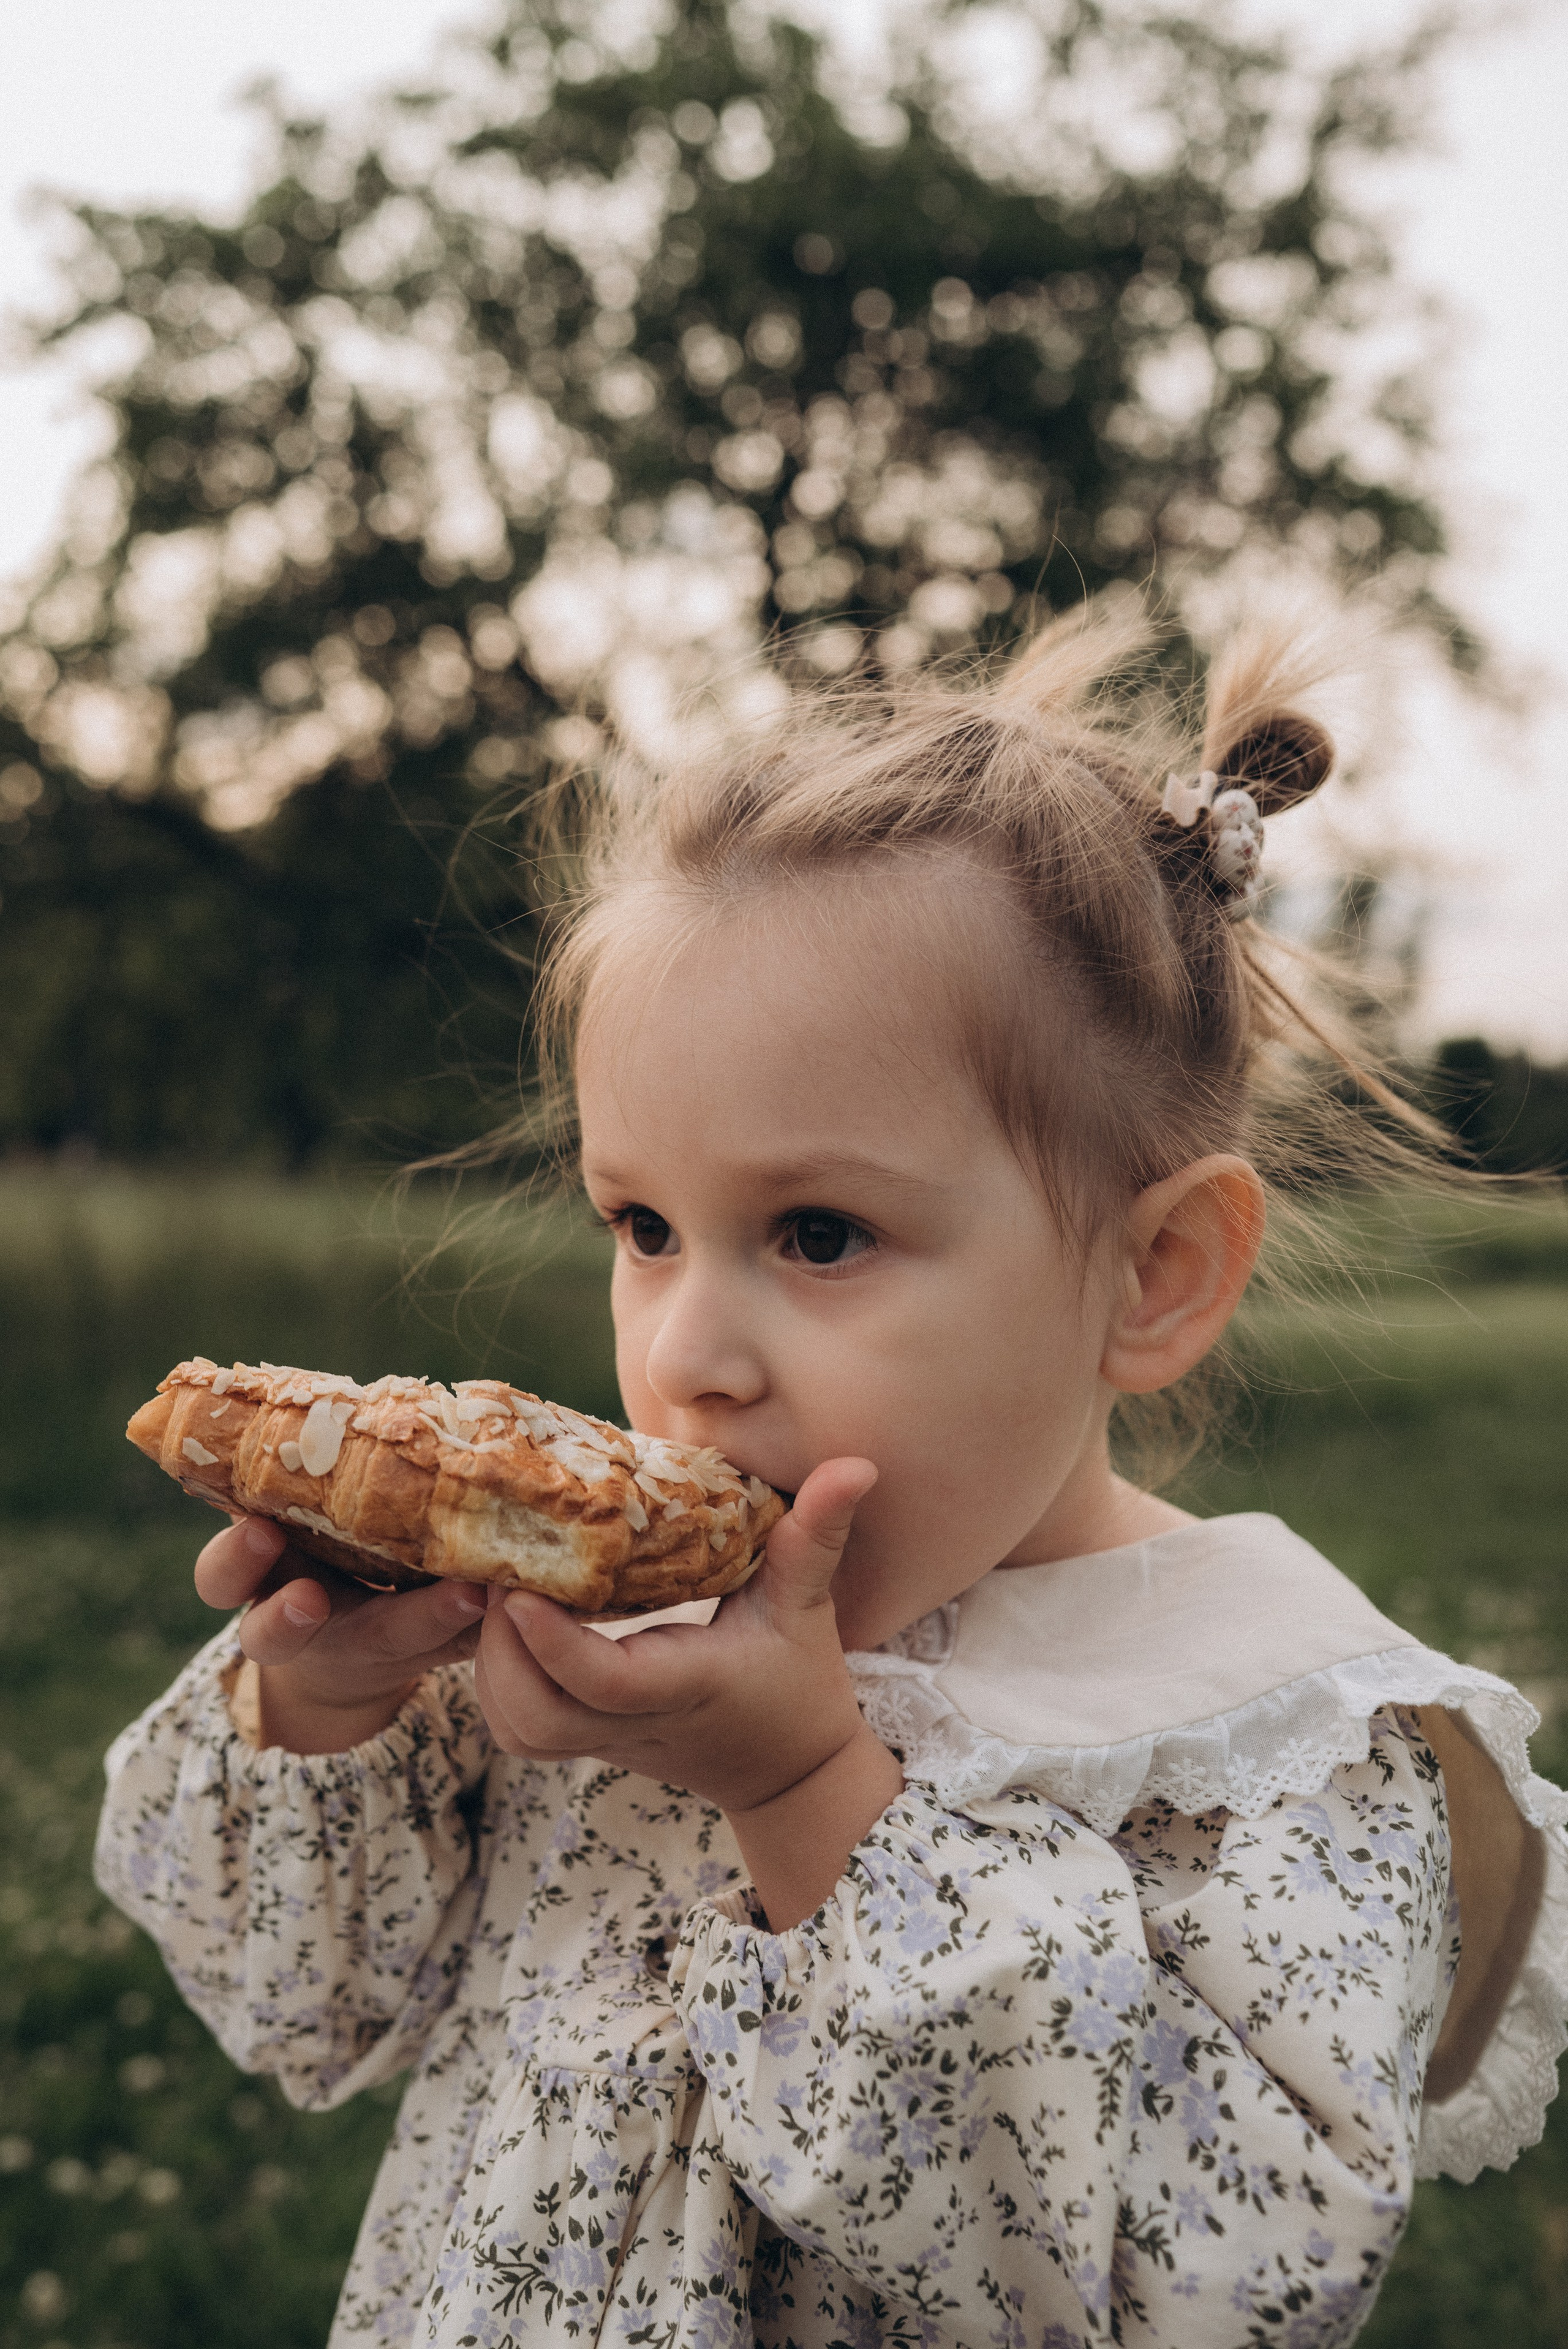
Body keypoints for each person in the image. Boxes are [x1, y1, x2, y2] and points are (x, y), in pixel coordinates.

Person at [97, 603, 1568, 2348]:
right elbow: (310, 1996)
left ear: (1152, 1274)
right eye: (642, 1224)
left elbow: (1188, 2295)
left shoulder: (1285, 1758)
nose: (689, 1356)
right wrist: (328, 1700)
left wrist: (807, 1788)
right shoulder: (588, 1664)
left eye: (818, 1232)